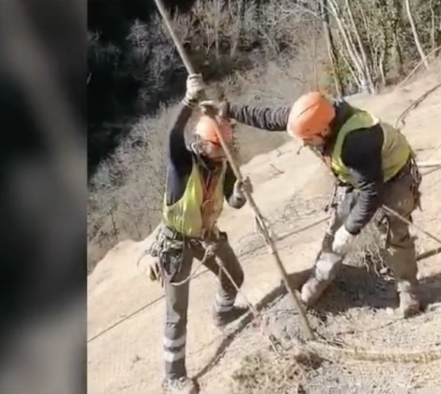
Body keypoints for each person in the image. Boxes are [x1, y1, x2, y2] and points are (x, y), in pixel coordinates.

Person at [200, 91, 424, 319]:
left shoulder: (357, 142)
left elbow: (371, 191)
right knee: (334, 235)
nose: (305, 144)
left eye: (308, 140)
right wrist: (227, 110)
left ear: (325, 130)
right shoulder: (310, 116)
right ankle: (316, 285)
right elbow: (267, 117)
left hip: (395, 175)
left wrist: (351, 229)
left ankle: (408, 292)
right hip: (358, 178)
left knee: (395, 234)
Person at [141, 74, 252, 394]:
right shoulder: (182, 163)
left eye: (227, 146)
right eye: (221, 147)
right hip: (176, 243)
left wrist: (241, 195)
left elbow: (232, 198)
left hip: (206, 235)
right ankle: (174, 375)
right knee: (177, 314)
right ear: (203, 145)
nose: (226, 151)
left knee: (234, 275)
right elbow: (172, 134)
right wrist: (188, 102)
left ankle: (223, 311)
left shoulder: (223, 165)